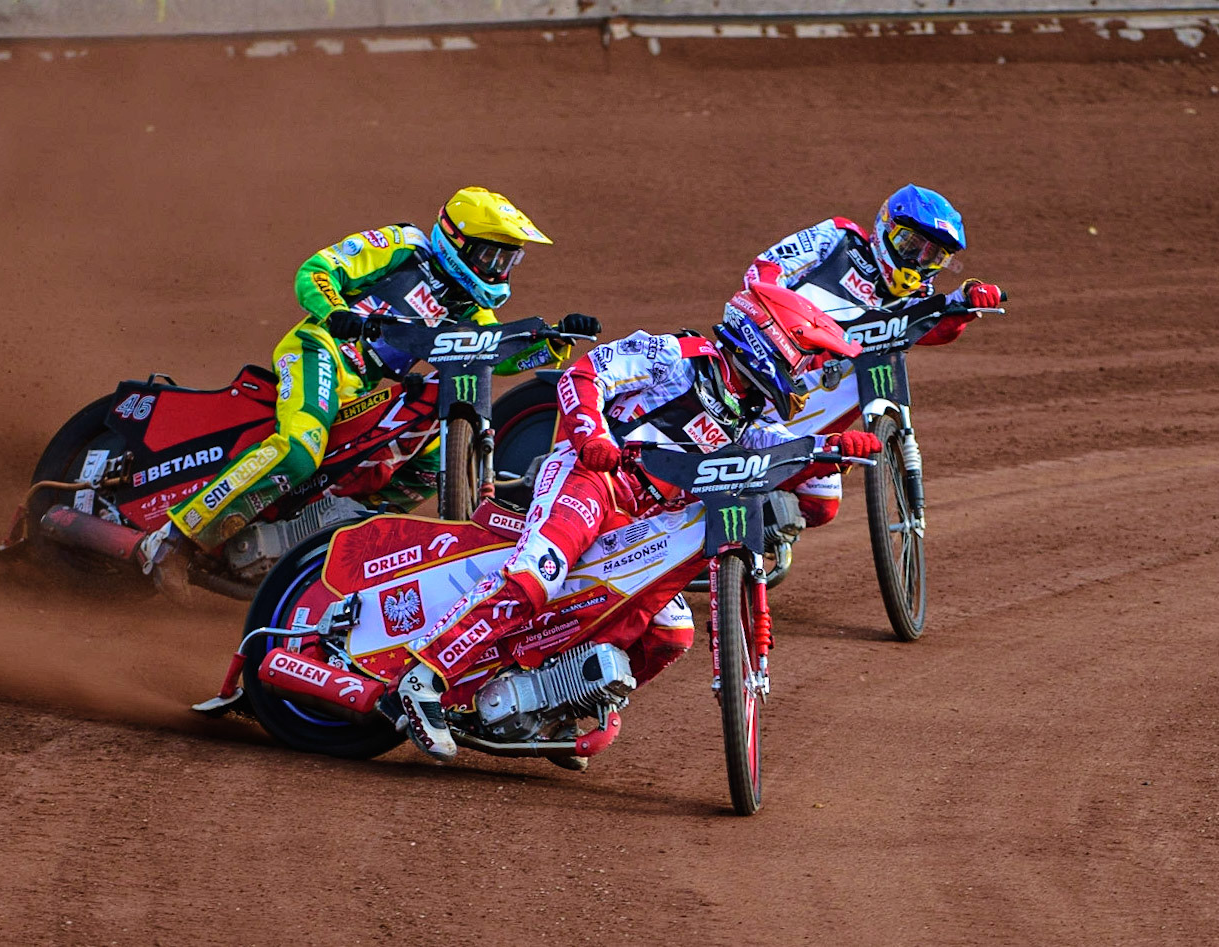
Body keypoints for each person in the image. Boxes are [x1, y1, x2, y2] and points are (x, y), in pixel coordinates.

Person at [394, 282, 880, 761]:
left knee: (670, 631)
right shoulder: (677, 355)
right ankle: (424, 676)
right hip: (591, 479)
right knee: (537, 576)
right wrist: (591, 436)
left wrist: (833, 450)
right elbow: (584, 375)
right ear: (769, 339)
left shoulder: (750, 419)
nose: (805, 374)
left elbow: (781, 455)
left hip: (642, 521)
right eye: (802, 359)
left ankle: (551, 708)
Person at [137, 187, 599, 597]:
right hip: (318, 352)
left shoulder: (470, 310)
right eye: (493, 255)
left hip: (361, 387)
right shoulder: (403, 247)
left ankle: (322, 539)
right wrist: (335, 310)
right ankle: (175, 537)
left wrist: (553, 343)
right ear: (459, 241)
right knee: (300, 451)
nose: (500, 269)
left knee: (428, 457)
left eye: (508, 259)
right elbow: (317, 269)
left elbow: (494, 356)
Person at [735, 183, 1004, 529]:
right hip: (768, 376)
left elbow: (935, 326)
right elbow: (763, 270)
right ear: (885, 229)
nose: (917, 262)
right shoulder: (838, 237)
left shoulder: (917, 295)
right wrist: (781, 319)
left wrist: (969, 301)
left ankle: (743, 550)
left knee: (821, 506)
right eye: (911, 245)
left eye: (933, 256)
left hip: (816, 402)